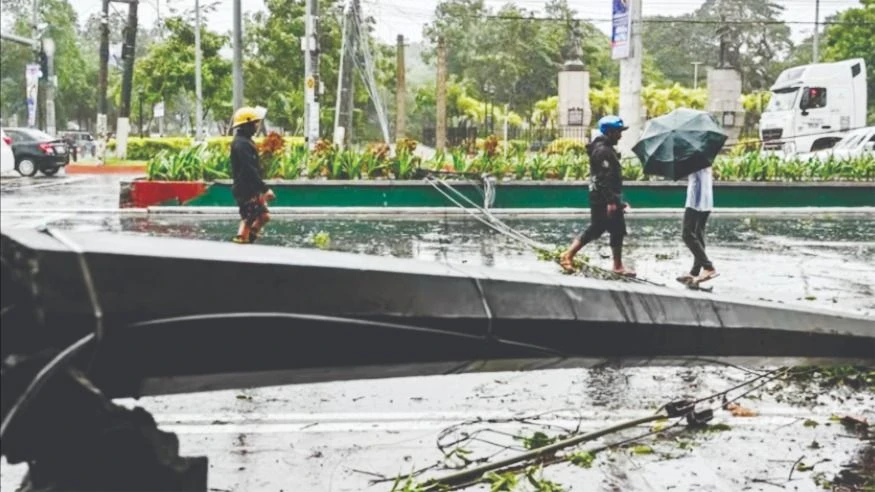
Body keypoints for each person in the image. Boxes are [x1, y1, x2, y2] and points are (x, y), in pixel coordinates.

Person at [560, 115, 635, 277]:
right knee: (602, 228)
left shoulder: (605, 148)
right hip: (603, 198)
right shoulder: (602, 151)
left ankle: (617, 265)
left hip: (605, 196)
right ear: (609, 132)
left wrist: (616, 200)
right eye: (618, 132)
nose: (620, 135)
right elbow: (602, 178)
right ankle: (568, 255)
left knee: (613, 229)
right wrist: (611, 201)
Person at [230, 106, 274, 244]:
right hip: (245, 188)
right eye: (254, 123)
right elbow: (248, 169)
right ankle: (242, 241)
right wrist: (264, 188)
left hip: (249, 187)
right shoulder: (241, 144)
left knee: (263, 216)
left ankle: (248, 239)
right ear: (246, 125)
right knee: (248, 219)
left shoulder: (245, 141)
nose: (257, 126)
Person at [677, 165, 718, 285]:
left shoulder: (693, 155)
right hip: (705, 197)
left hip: (696, 199)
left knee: (687, 234)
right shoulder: (702, 154)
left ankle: (708, 267)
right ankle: (695, 272)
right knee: (698, 234)